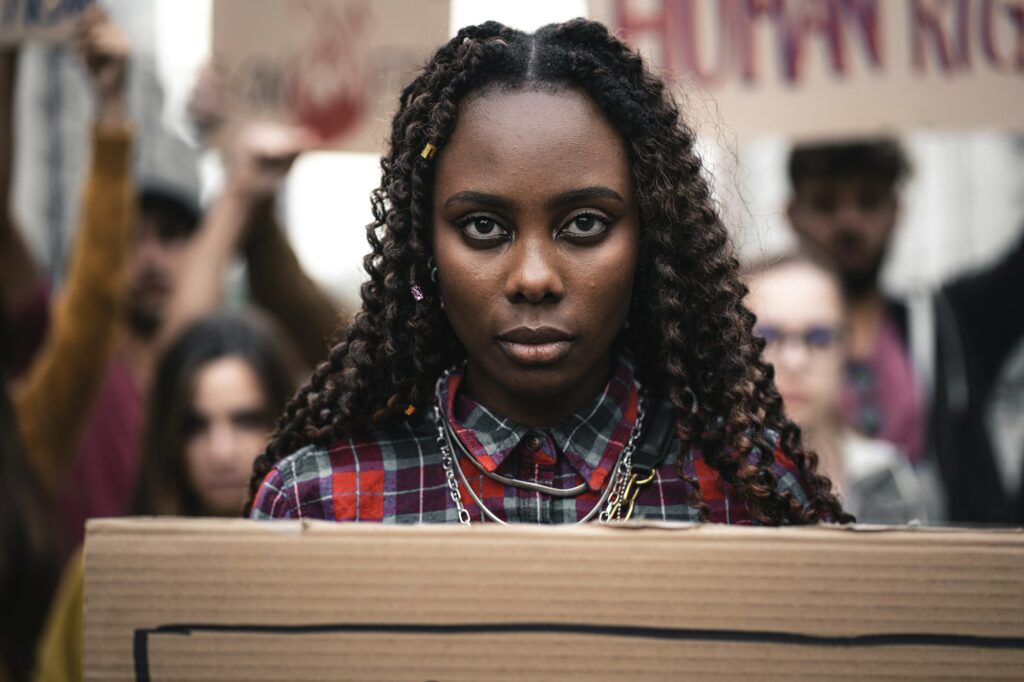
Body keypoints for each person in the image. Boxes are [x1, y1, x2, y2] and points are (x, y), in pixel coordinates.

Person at [248, 19, 851, 526]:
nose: (534, 278)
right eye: (483, 227)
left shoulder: (747, 490)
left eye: (584, 224)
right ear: (424, 249)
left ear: (650, 239)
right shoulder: (318, 500)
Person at [34, 314, 297, 682]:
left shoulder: (315, 567)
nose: (221, 451)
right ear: (168, 436)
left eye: (247, 420)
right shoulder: (98, 573)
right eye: (196, 425)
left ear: (287, 424)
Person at [744, 254, 928, 524]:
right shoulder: (696, 475)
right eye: (767, 337)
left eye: (819, 338)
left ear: (847, 347)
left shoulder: (886, 478)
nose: (795, 361)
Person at [784, 140, 925, 466]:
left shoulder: (942, 325)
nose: (848, 222)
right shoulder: (744, 329)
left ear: (897, 210)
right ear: (792, 214)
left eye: (869, 201)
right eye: (824, 203)